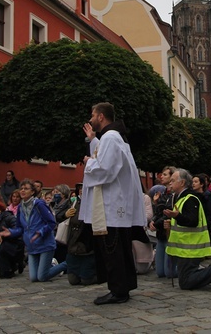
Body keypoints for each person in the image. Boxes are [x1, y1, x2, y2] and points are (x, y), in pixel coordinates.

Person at [80, 102, 146, 305]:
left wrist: (87, 163)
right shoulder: (114, 137)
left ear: (101, 116)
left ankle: (118, 291)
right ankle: (123, 287)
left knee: (113, 251)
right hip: (117, 205)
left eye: (92, 115)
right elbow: (104, 156)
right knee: (119, 250)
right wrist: (92, 140)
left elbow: (105, 169)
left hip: (112, 206)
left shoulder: (110, 137)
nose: (90, 119)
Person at [165, 168, 211, 291]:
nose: (170, 182)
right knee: (186, 278)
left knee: (186, 282)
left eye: (173, 180)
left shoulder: (190, 198)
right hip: (185, 247)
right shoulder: (182, 198)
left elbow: (192, 221)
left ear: (182, 182)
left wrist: (177, 216)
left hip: (190, 247)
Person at [1, 179, 67, 282]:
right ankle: (49, 265)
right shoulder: (20, 208)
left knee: (42, 277)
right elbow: (20, 228)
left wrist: (40, 232)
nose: (22, 190)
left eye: (26, 189)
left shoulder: (39, 204)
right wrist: (11, 232)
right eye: (21, 188)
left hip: (45, 244)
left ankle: (66, 264)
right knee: (33, 278)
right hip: (32, 246)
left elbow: (51, 223)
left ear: (32, 192)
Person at [150, 166, 178, 279]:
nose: (162, 176)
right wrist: (152, 221)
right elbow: (159, 213)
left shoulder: (174, 195)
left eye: (165, 174)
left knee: (169, 273)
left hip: (169, 234)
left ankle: (188, 269)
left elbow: (167, 214)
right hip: (161, 235)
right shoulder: (163, 193)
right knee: (160, 272)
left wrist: (156, 224)